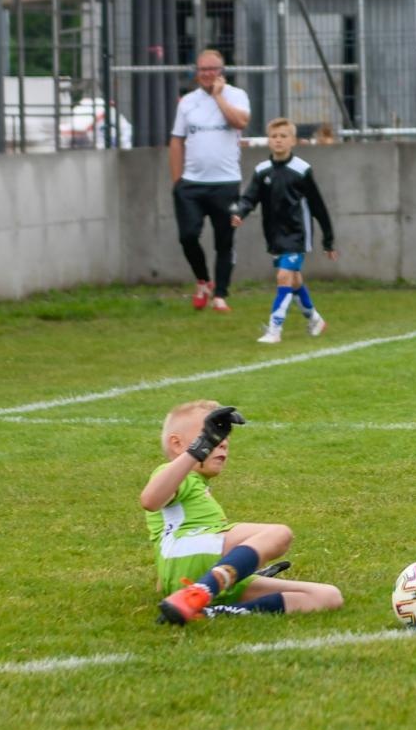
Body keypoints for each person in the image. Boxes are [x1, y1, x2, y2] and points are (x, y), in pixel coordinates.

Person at [143, 399, 343, 625]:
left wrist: (242, 567)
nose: (221, 443)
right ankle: (200, 591)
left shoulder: (196, 486)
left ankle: (208, 610)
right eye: (209, 435)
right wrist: (195, 453)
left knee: (327, 596)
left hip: (193, 575)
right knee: (278, 534)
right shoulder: (178, 476)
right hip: (189, 560)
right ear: (178, 444)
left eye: (223, 437)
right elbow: (150, 500)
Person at [229, 117, 338, 344]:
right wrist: (240, 212)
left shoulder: (302, 170)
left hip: (298, 233)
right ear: (269, 140)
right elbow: (250, 198)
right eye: (274, 136)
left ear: (293, 141)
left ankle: (274, 329)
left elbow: (318, 206)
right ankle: (315, 320)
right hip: (274, 234)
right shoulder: (262, 171)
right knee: (294, 281)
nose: (278, 141)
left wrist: (329, 240)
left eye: (283, 137)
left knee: (283, 277)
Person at [168, 49, 252, 314]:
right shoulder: (187, 102)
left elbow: (240, 122)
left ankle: (221, 294)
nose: (207, 74)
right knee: (188, 236)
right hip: (192, 184)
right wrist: (177, 180)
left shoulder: (236, 95)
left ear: (222, 71)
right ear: (196, 72)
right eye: (202, 69)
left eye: (212, 69)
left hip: (225, 182)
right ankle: (203, 280)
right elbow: (176, 140)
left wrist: (218, 97)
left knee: (224, 240)